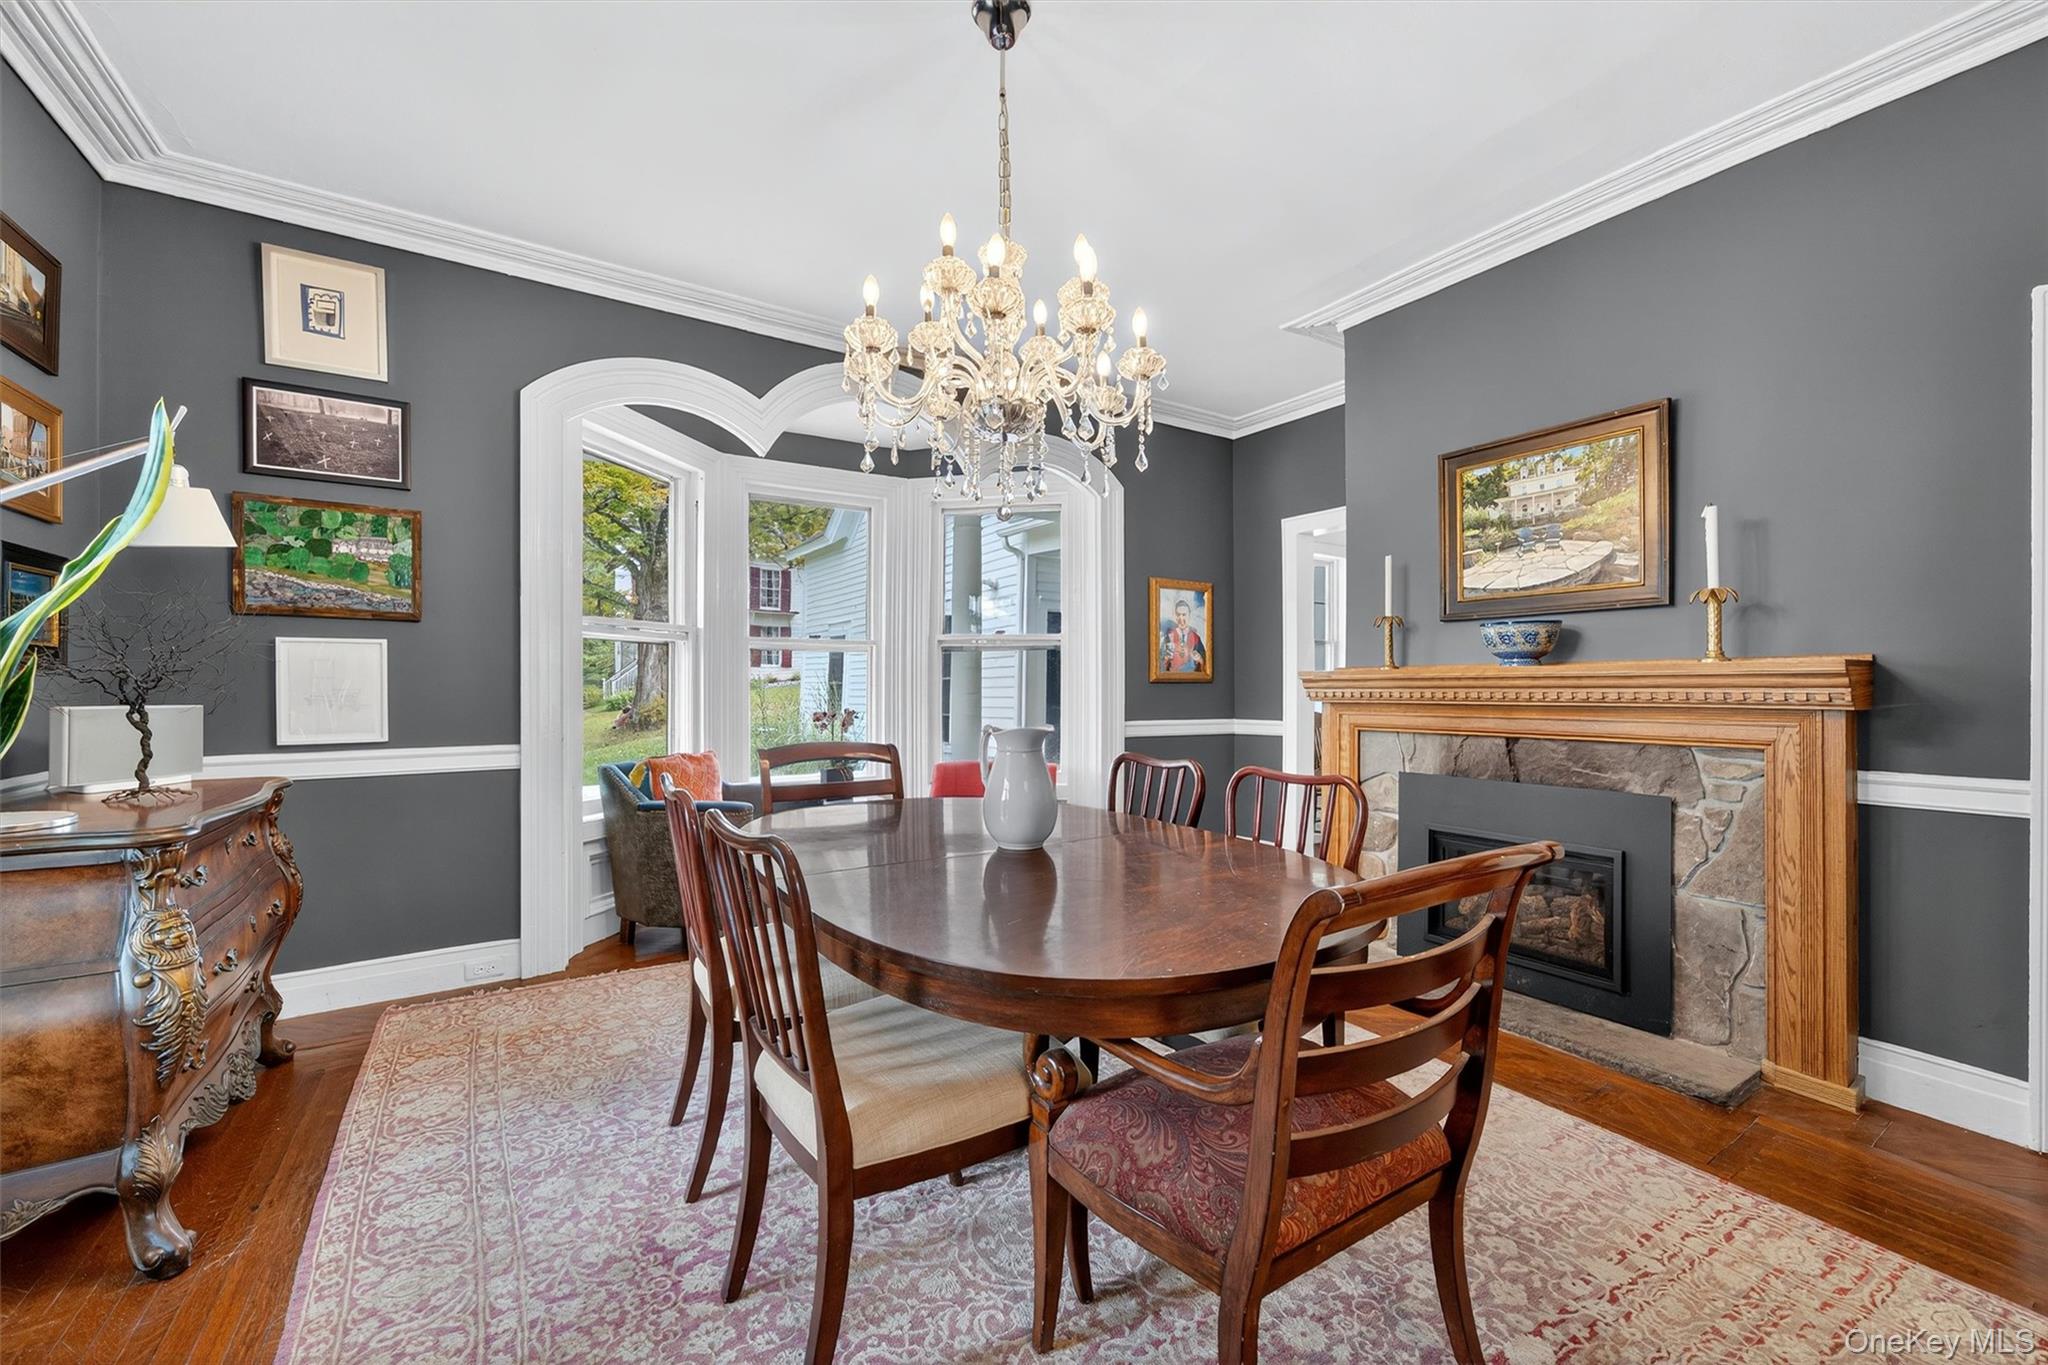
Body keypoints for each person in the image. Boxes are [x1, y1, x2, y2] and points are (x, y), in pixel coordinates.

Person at [1158, 597, 1206, 674]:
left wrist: (1200, 660)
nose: (1181, 618)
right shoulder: (1169, 636)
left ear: (1189, 615)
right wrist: (1166, 659)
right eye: (1178, 615)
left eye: (1184, 615)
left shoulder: (1196, 638)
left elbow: (1206, 664)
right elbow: (1159, 664)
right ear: (1175, 616)